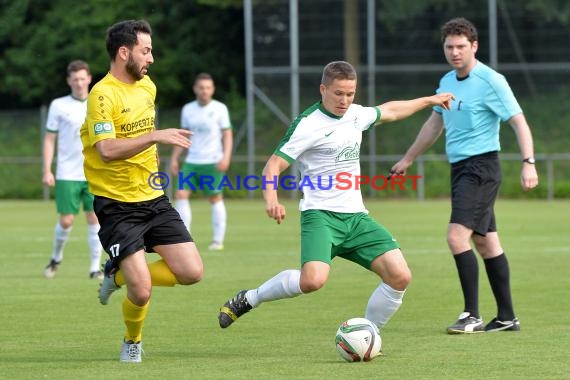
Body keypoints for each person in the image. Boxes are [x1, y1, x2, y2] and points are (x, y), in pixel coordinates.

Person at [217, 61, 454, 335]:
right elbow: (272, 165)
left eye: (350, 94)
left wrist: (429, 100)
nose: (344, 100)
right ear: (323, 89)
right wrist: (272, 199)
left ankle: (368, 335)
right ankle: (250, 298)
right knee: (312, 282)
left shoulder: (356, 115)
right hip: (321, 216)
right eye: (338, 93)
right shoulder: (307, 124)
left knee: (400, 276)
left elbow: (390, 110)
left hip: (356, 217)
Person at [391, 17, 539, 334]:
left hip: (481, 168)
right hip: (460, 169)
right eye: (449, 47)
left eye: (461, 46)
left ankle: (470, 314)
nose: (455, 52)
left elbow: (518, 122)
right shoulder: (446, 82)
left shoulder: (491, 81)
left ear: (474, 46)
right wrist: (408, 158)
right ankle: (506, 317)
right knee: (486, 244)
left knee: (456, 237)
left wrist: (529, 161)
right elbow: (434, 125)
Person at [80, 19, 203, 363]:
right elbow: (106, 149)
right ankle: (132, 341)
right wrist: (154, 136)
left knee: (192, 272)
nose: (151, 58)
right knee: (142, 289)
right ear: (124, 52)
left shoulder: (147, 86)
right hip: (118, 206)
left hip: (153, 198)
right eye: (145, 50)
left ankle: (115, 272)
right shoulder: (101, 95)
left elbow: (147, 140)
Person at [42, 60, 104, 280]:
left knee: (95, 218)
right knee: (67, 220)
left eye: (82, 78)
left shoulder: (99, 102)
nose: (79, 83)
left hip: (94, 172)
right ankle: (56, 258)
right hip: (67, 172)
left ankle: (94, 268)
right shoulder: (59, 105)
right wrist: (47, 170)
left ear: (89, 79)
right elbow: (49, 139)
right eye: (75, 79)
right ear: (69, 81)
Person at [170, 73, 233, 251]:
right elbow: (183, 136)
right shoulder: (188, 109)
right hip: (191, 160)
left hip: (213, 161)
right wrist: (175, 158)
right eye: (201, 87)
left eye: (208, 88)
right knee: (181, 195)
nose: (204, 91)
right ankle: (185, 238)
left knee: (215, 197)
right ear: (195, 89)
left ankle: (217, 241)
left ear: (212, 89)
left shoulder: (220, 109)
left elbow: (227, 134)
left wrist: (226, 156)